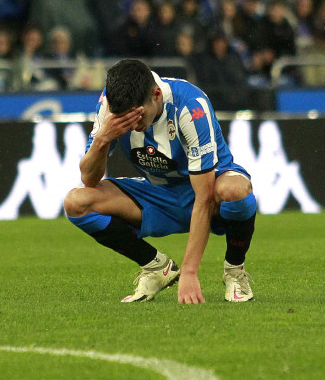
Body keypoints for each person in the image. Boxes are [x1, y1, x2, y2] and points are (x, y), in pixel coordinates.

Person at [63, 59, 256, 304]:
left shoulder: (189, 106)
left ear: (156, 95)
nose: (132, 125)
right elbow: (89, 178)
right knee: (76, 202)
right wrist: (103, 138)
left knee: (236, 190)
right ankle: (156, 267)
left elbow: (204, 196)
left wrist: (189, 271)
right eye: (124, 119)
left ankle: (234, 272)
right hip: (158, 194)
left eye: (138, 116)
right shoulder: (110, 104)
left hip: (208, 191)